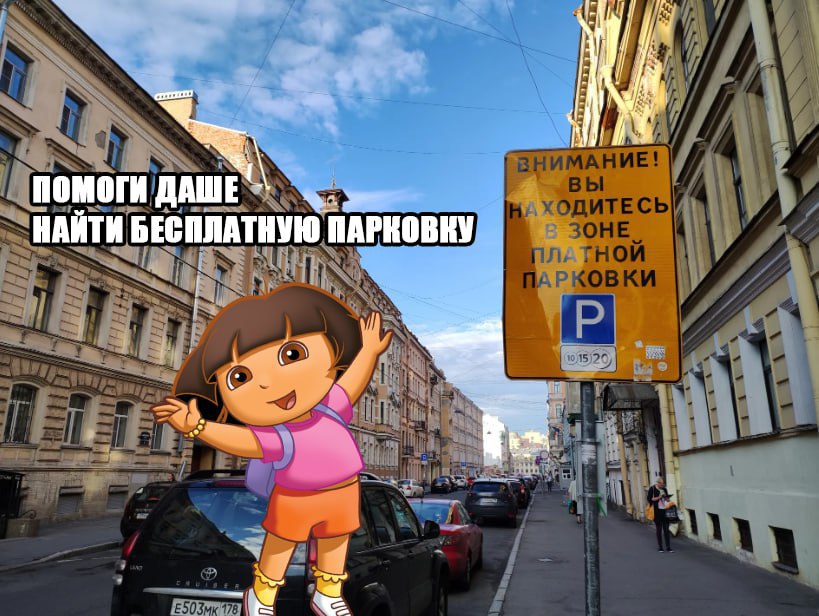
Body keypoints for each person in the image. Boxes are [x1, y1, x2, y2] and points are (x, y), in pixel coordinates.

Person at [151, 284, 392, 616]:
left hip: (344, 489)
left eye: (291, 355)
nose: (268, 382)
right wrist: (199, 427)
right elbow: (243, 441)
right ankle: (262, 594)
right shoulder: (278, 433)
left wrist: (368, 352)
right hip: (297, 496)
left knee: (336, 542)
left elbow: (351, 383)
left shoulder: (328, 405)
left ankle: (327, 594)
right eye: (240, 377)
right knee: (280, 545)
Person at [647, 477, 673, 553]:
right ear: (658, 483)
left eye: (663, 484)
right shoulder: (652, 489)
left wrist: (667, 499)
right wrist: (659, 497)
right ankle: (660, 547)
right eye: (661, 484)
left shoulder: (664, 489)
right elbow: (650, 499)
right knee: (659, 529)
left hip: (664, 511)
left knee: (666, 530)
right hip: (656, 512)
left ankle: (668, 547)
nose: (662, 485)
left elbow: (667, 499)